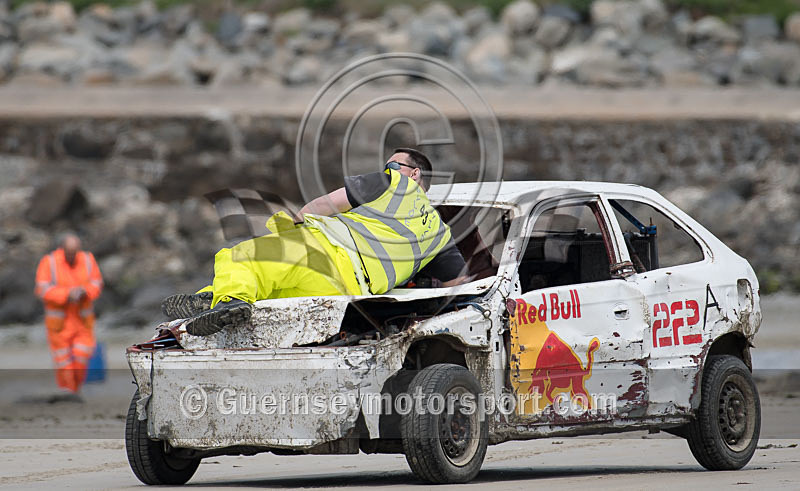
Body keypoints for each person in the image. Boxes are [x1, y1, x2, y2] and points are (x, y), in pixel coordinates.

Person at [163, 148, 469, 336]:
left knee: (242, 257)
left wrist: (297, 221)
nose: (387, 169)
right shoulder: (440, 234)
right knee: (271, 289)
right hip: (348, 292)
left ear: (414, 173)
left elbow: (322, 206)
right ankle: (213, 300)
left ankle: (224, 301)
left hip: (324, 253)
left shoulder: (393, 183)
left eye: (393, 165)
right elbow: (460, 282)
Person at [35, 232, 103, 395]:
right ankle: (67, 391)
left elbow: (96, 283)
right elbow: (42, 289)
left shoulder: (87, 260)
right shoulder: (49, 262)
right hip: (59, 324)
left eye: (75, 252)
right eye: (69, 252)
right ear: (62, 249)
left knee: (81, 357)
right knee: (64, 361)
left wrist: (84, 292)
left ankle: (76, 389)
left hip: (82, 321)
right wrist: (67, 294)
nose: (72, 256)